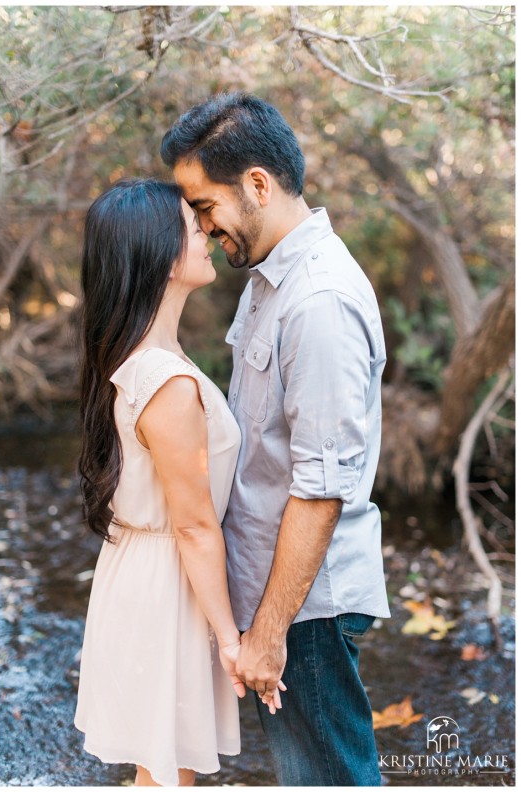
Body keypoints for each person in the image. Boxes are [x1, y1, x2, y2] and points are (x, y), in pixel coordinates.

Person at [161, 92, 391, 786]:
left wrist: (266, 636)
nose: (201, 229)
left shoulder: (317, 300)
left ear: (256, 184)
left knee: (330, 779)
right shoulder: (268, 280)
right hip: (279, 597)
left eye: (204, 207)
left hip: (302, 609)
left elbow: (321, 488)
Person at [74, 178, 282, 788]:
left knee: (161, 769)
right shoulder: (166, 381)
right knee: (168, 775)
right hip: (170, 587)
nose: (210, 236)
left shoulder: (143, 357)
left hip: (146, 572)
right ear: (161, 255)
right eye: (195, 228)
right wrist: (229, 639)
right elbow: (193, 524)